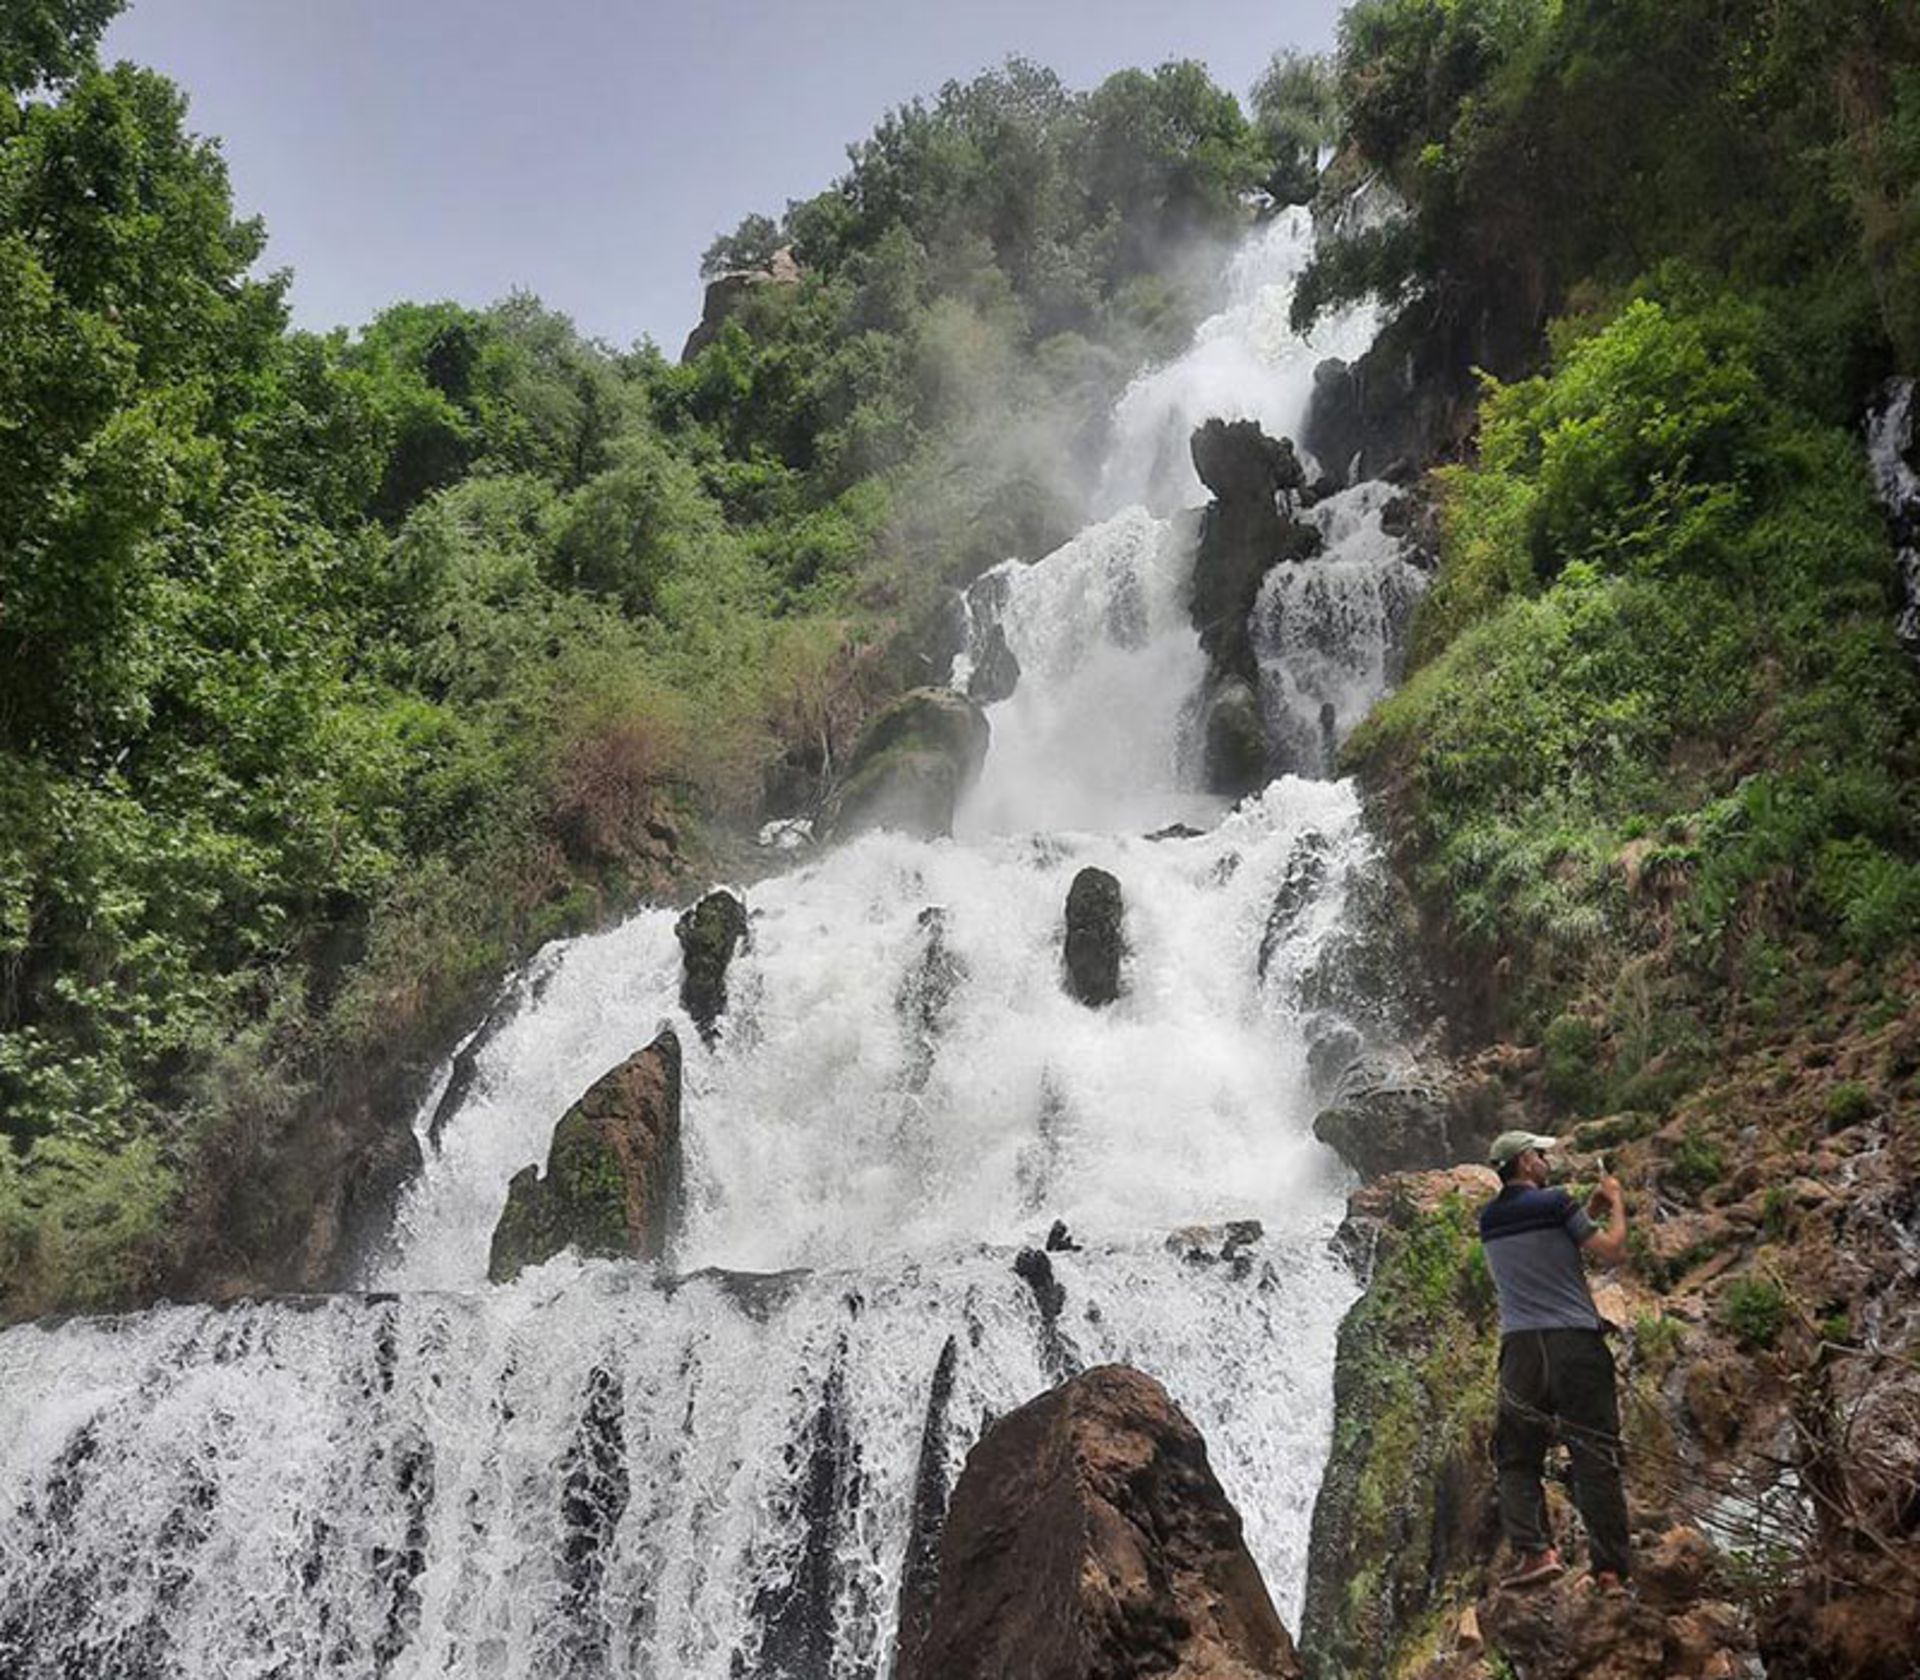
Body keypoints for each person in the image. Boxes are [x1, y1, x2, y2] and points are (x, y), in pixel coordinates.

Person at [1479, 1128, 1632, 1591]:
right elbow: (1611, 1252)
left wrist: (1587, 1212)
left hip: (1522, 1349)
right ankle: (1609, 1572)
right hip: (1574, 1344)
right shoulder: (1556, 1202)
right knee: (1593, 1453)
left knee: (1516, 1456)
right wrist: (1614, 1201)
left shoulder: (1489, 1220)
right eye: (1541, 1155)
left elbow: (1547, 1245)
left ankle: (1535, 1552)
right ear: (1525, 1162)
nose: (1547, 1161)